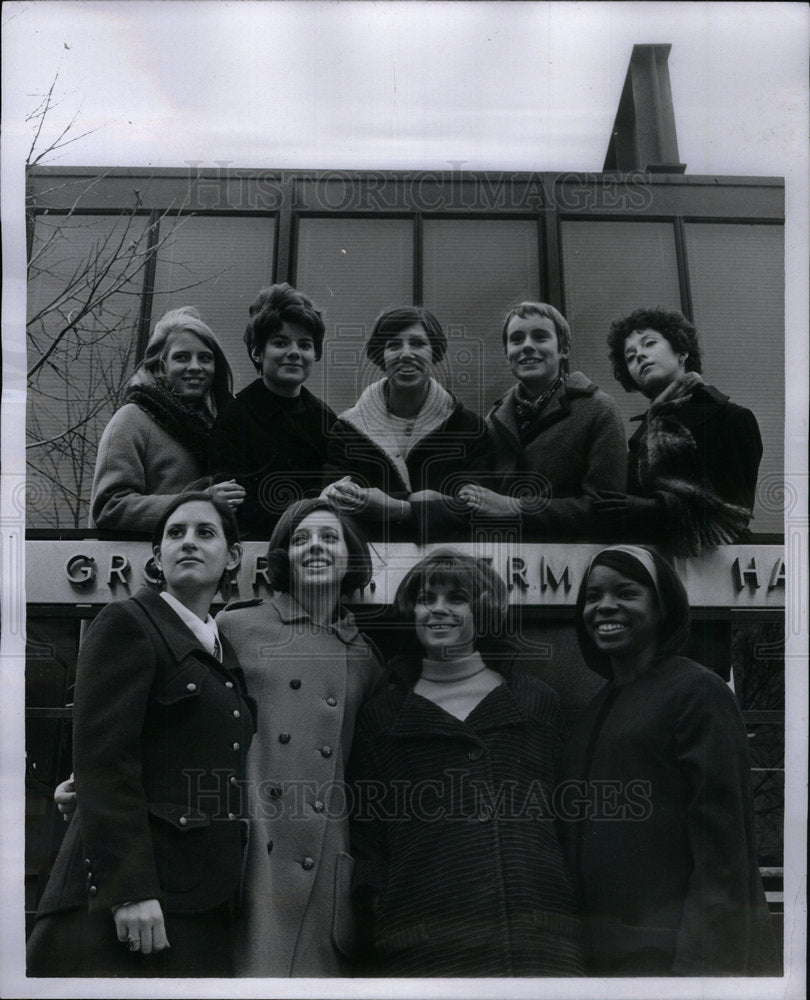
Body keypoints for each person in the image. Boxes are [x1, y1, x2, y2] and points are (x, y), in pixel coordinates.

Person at [26, 493, 255, 977]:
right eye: (175, 533)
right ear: (156, 557)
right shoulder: (129, 623)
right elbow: (105, 762)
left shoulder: (221, 651)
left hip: (195, 902)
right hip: (123, 905)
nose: (188, 542)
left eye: (205, 532)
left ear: (233, 557)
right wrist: (129, 888)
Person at [348, 550, 585, 977]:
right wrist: (378, 906)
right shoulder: (382, 715)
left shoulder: (533, 700)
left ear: (482, 610)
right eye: (426, 598)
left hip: (536, 933)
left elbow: (568, 813)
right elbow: (368, 835)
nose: (438, 609)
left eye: (456, 598)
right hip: (423, 940)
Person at [560, 544, 778, 976]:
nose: (605, 606)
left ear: (663, 607)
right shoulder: (593, 708)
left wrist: (702, 966)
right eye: (592, 596)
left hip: (671, 960)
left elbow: (723, 852)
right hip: (598, 961)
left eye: (625, 593)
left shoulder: (696, 691)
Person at [216, 498, 385, 976]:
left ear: (350, 556)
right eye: (301, 538)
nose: (315, 547)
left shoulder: (367, 657)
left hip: (325, 857)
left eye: (329, 538)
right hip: (254, 847)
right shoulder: (235, 626)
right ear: (284, 556)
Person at [596, 307, 763, 555]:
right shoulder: (640, 438)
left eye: (649, 344)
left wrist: (651, 509)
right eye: (630, 357)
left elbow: (731, 515)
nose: (639, 355)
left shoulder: (731, 418)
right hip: (654, 562)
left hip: (717, 569)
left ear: (682, 351)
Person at [322, 306, 492, 541]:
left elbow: (477, 510)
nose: (406, 354)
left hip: (448, 567)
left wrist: (396, 508)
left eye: (417, 343)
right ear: (380, 355)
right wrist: (425, 499)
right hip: (371, 567)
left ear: (436, 352)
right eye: (393, 345)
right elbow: (337, 502)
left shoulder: (470, 427)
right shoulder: (346, 429)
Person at [458, 302, 626, 537]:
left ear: (564, 349)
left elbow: (607, 509)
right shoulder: (493, 421)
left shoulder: (599, 409)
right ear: (507, 355)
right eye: (516, 339)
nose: (527, 346)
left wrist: (514, 507)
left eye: (540, 337)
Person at [90, 307, 245, 533]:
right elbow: (109, 508)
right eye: (181, 357)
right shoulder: (132, 419)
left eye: (205, 358)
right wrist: (197, 503)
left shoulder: (221, 426)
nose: (195, 367)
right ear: (161, 365)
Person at [210, 284, 337, 539]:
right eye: (280, 342)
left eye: (305, 344)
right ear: (258, 352)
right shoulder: (234, 417)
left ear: (316, 354)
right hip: (256, 552)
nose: (294, 352)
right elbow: (236, 506)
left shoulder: (326, 419)